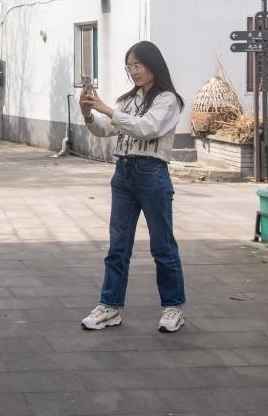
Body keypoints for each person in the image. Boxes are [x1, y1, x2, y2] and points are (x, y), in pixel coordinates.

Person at [78, 40, 188, 333]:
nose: (134, 71)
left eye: (138, 65)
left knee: (162, 245)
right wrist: (88, 113)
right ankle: (110, 306)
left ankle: (173, 307)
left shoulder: (168, 100)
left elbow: (146, 128)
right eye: (129, 67)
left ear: (153, 64)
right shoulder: (128, 100)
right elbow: (105, 129)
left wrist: (105, 108)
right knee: (118, 246)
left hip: (152, 173)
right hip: (123, 173)